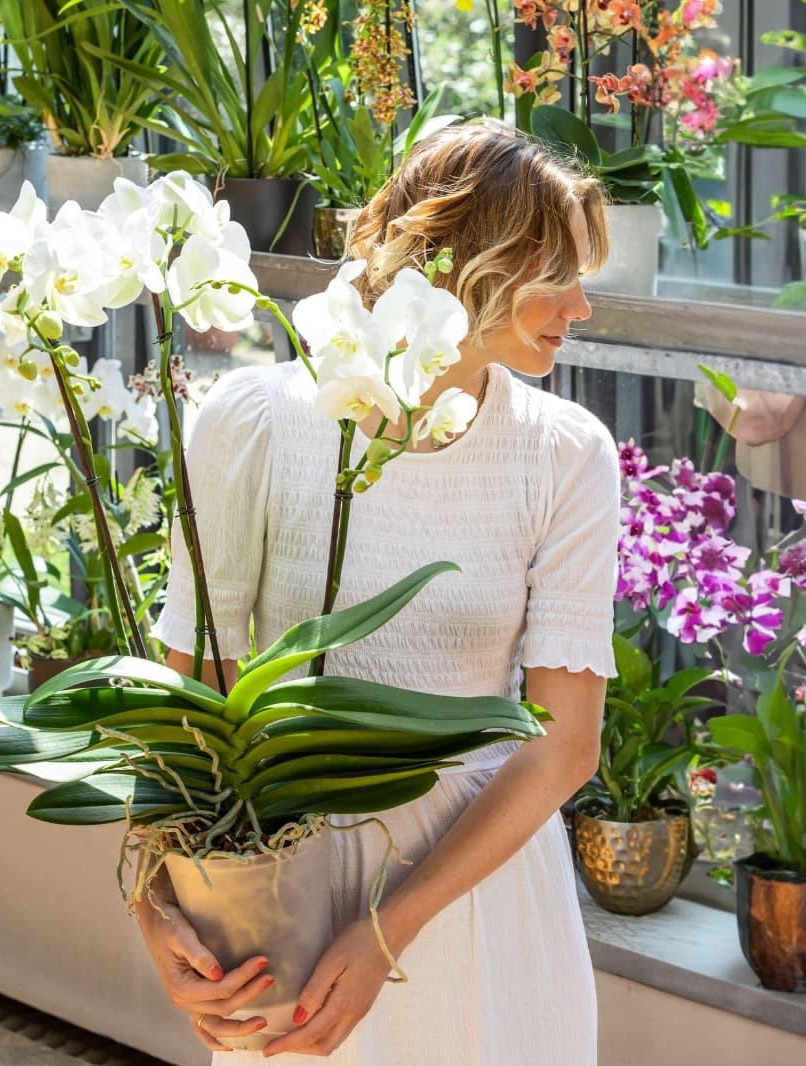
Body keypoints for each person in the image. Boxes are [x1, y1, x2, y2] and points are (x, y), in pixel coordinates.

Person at [138, 121, 621, 1064]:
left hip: (484, 890)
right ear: (472, 267)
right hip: (285, 884)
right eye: (558, 274)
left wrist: (390, 930)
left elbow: (565, 744)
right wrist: (158, 906)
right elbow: (188, 700)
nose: (582, 306)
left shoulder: (566, 454)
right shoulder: (257, 422)